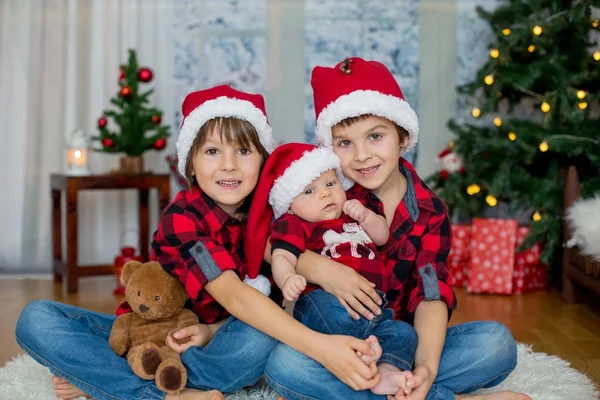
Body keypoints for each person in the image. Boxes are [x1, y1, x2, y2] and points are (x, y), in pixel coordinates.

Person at [15, 85, 380, 400]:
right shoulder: (182, 219)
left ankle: (113, 378)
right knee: (37, 319)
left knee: (263, 335)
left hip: (218, 339)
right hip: (158, 333)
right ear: (189, 164)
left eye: (243, 151)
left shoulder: (271, 208)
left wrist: (210, 331)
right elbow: (235, 295)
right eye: (212, 152)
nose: (228, 166)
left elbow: (267, 291)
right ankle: (152, 390)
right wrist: (322, 348)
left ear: (263, 160)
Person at [264, 58, 531, 400]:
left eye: (375, 136)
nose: (361, 155)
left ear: (403, 136)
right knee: (284, 364)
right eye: (344, 143)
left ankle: (403, 385)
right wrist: (321, 268)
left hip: (400, 340)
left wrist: (426, 368)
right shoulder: (329, 195)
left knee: (495, 344)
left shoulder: (430, 210)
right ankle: (440, 397)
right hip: (338, 341)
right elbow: (274, 244)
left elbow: (431, 293)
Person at [244, 142, 418, 397]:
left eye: (330, 184)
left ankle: (384, 371)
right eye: (309, 191)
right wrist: (287, 278)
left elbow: (382, 237)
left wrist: (366, 217)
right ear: (289, 204)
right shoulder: (294, 223)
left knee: (405, 333)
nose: (325, 194)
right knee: (328, 311)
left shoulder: (352, 212)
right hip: (327, 303)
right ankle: (358, 358)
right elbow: (281, 255)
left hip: (375, 311)